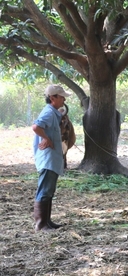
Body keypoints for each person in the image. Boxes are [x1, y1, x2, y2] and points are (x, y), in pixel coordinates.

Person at [31, 84, 71, 231]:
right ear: (52, 98)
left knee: (49, 190)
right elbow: (36, 127)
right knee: (45, 190)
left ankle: (47, 221)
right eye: (61, 97)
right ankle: (41, 224)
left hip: (52, 158)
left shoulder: (53, 112)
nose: (63, 100)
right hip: (47, 158)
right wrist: (46, 139)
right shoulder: (48, 112)